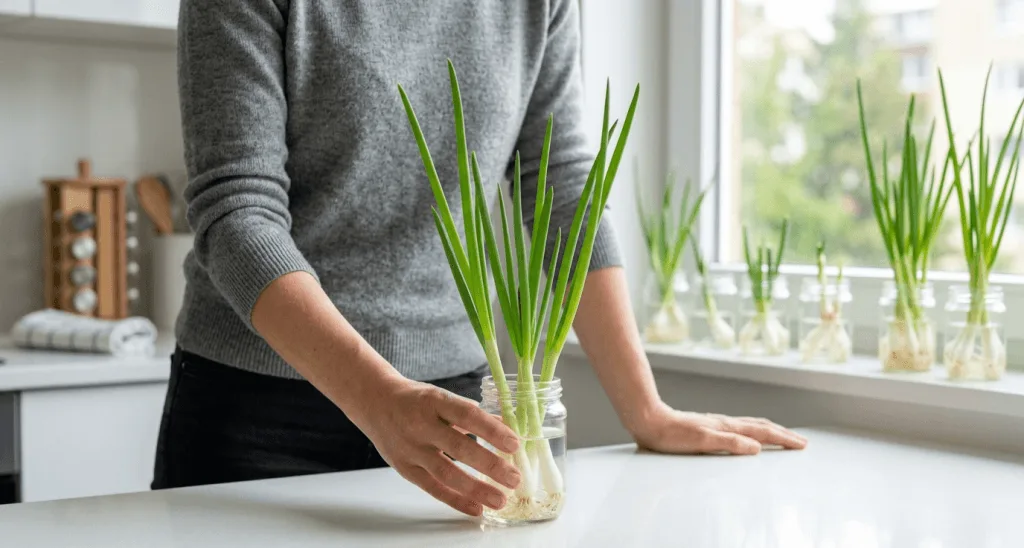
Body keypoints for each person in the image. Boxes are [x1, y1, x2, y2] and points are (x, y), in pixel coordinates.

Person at [152, 0, 808, 517]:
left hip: (451, 406)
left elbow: (561, 188)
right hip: (259, 415)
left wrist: (646, 409)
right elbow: (236, 212)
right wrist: (378, 398)